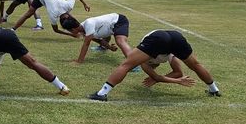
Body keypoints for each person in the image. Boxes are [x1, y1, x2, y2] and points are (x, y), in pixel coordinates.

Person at [88, 30, 221, 101]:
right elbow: (157, 77)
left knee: (126, 65)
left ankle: (102, 93)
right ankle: (214, 89)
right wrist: (177, 81)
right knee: (195, 65)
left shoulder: (144, 61)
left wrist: (177, 80)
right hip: (175, 36)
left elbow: (162, 75)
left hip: (159, 36)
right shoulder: (151, 61)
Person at [11, 0, 90, 37]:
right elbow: (56, 30)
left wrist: (85, 4)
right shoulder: (53, 16)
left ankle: (81, 31)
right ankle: (12, 30)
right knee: (29, 13)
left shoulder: (68, 6)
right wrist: (71, 34)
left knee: (67, 16)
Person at [59, 12, 133, 64]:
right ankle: (103, 48)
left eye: (69, 31)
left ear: (73, 29)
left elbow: (86, 44)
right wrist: (110, 47)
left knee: (120, 41)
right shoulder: (84, 31)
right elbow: (99, 41)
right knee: (104, 36)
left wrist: (79, 61)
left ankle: (133, 62)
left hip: (119, 21)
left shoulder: (88, 24)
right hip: (109, 28)